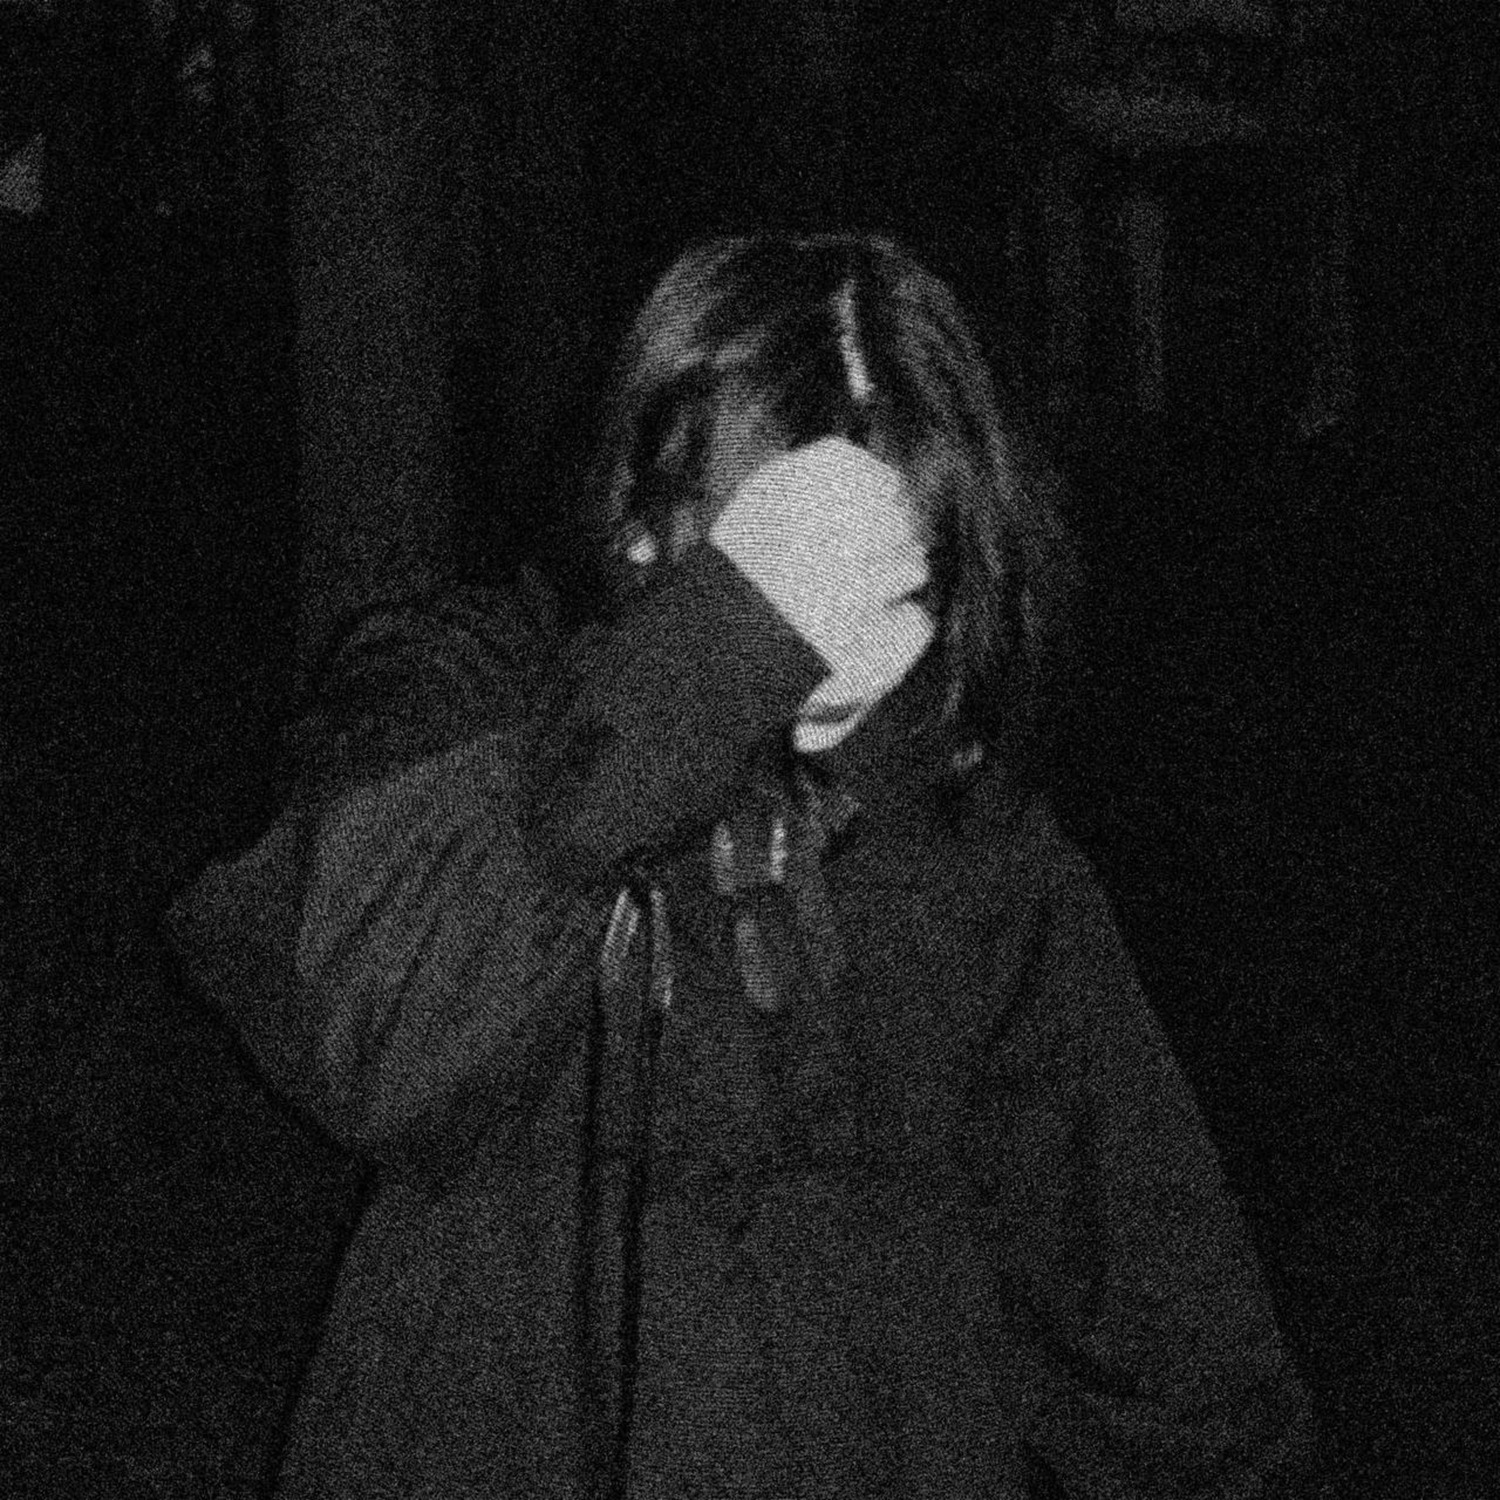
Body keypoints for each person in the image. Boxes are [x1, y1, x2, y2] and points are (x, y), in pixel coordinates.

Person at [164, 233, 1316, 1499]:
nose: (848, 608)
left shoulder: (967, 835)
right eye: (800, 541)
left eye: (894, 552)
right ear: (646, 515)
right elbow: (361, 1029)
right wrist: (717, 655)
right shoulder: (468, 696)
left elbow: (1138, 1284)